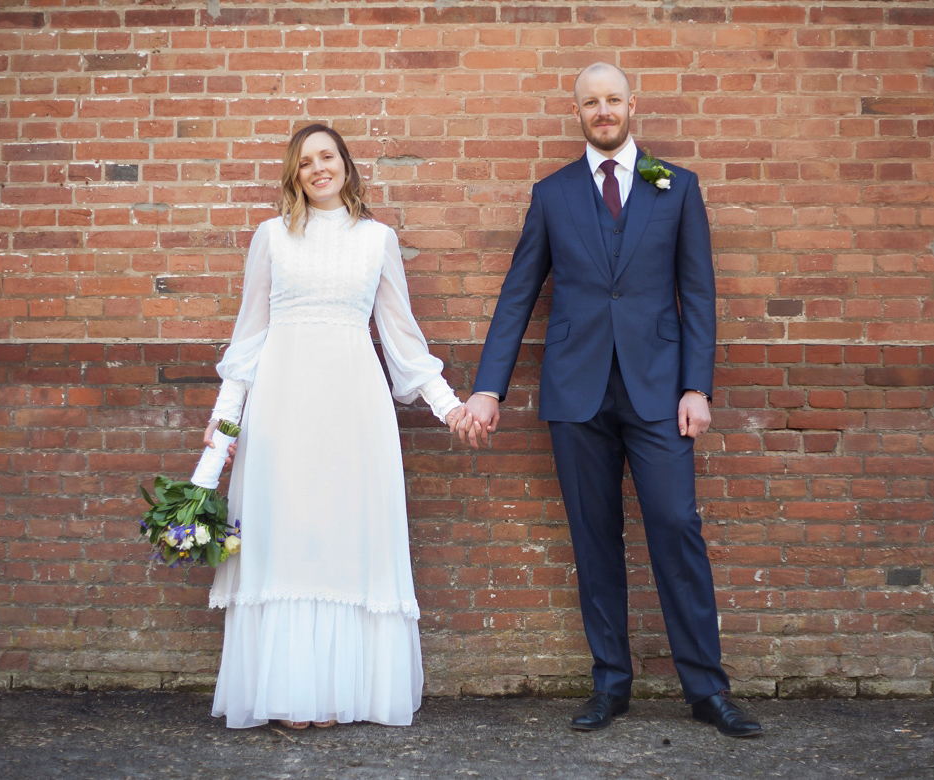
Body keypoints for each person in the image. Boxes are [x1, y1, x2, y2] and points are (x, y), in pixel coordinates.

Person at [461, 63, 762, 737]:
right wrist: (488, 388)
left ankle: (707, 690)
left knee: (676, 528)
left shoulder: (676, 188)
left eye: (613, 100)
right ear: (578, 111)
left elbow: (699, 295)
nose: (603, 111)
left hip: (660, 392)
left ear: (633, 105)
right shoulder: (553, 194)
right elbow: (518, 295)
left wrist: (697, 386)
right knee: (594, 540)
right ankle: (610, 683)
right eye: (591, 102)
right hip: (577, 392)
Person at [203, 124, 470, 729]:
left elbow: (403, 340)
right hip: (283, 404)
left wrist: (447, 404)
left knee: (346, 539)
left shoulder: (378, 240)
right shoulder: (270, 237)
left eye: (327, 157)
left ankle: (337, 692)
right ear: (293, 176)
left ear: (345, 164)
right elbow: (247, 339)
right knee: (287, 537)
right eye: (304, 163)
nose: (318, 169)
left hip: (353, 407)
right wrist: (224, 423)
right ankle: (287, 692)